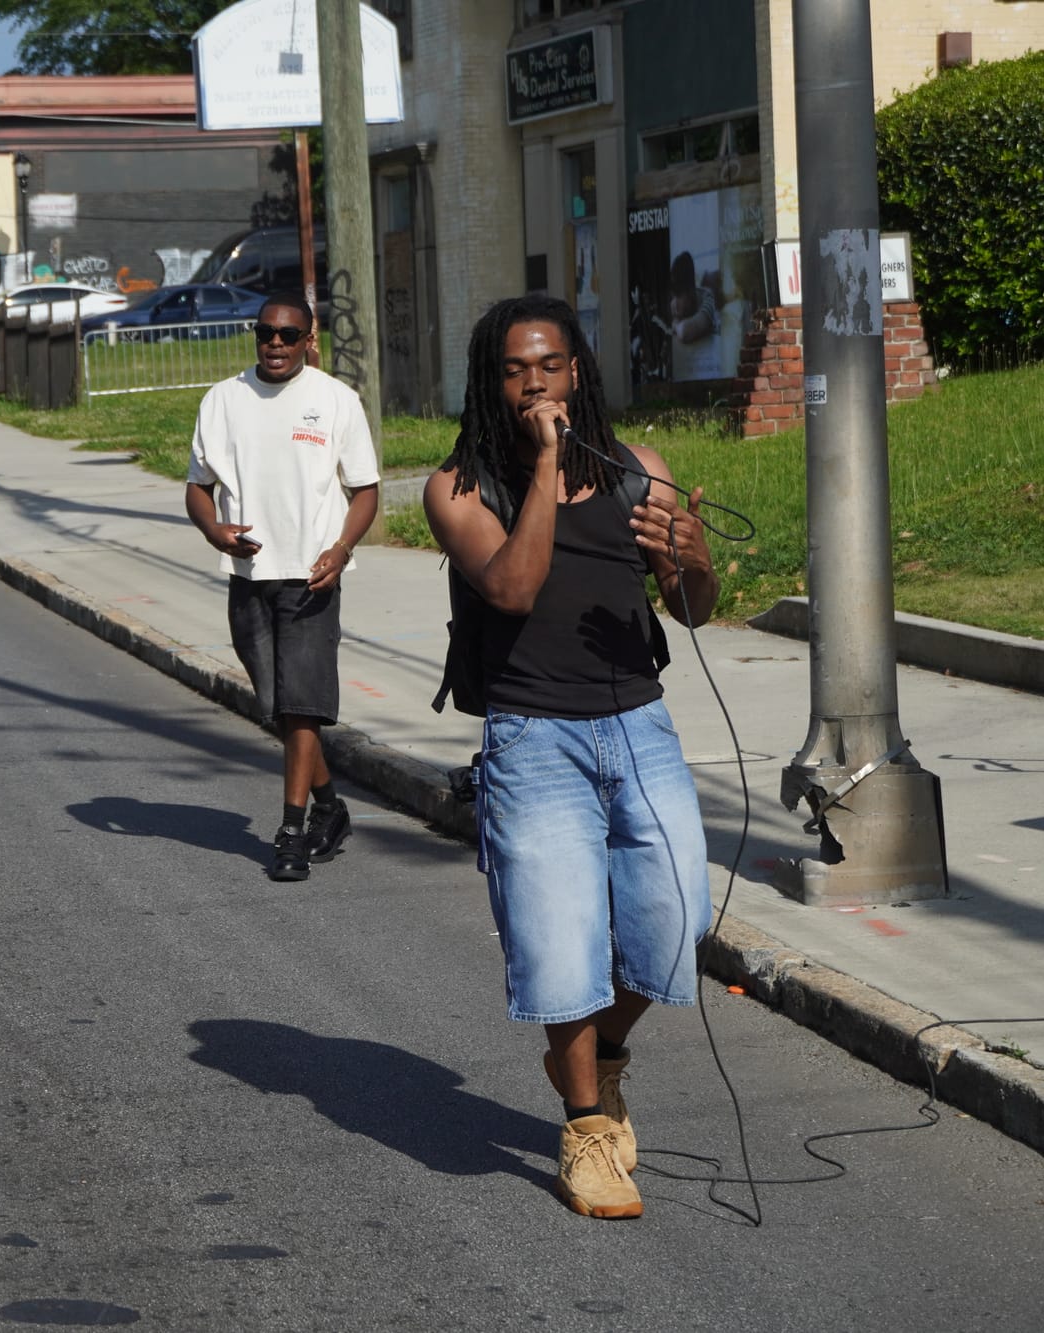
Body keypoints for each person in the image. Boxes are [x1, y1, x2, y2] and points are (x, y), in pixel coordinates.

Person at [421, 294, 719, 1221]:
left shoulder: (640, 472)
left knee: (676, 925)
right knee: (561, 946)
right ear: (491, 381)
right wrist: (549, 463)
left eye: (549, 365)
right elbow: (510, 587)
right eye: (515, 369)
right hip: (532, 738)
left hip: (640, 726)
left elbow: (696, 607)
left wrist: (692, 551)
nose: (534, 383)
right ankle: (587, 1125)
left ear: (577, 370)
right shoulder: (461, 487)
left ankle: (596, 1052)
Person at [184, 290, 379, 883]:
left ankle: (291, 832)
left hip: (311, 577)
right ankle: (330, 808)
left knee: (301, 709)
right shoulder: (223, 400)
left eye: (288, 335)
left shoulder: (337, 401)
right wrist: (214, 530)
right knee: (278, 706)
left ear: (308, 338)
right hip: (249, 578)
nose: (274, 343)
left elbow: (366, 490)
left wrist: (341, 550)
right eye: (265, 332)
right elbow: (197, 487)